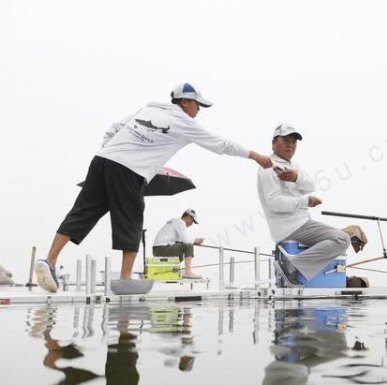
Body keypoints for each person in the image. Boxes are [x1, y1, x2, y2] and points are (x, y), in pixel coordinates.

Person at [34, 82, 272, 293]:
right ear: (185, 102)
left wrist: (112, 153)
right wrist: (255, 156)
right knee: (132, 218)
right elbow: (222, 144)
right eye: (198, 105)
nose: (199, 110)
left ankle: (50, 261)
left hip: (102, 160)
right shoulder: (185, 122)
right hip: (129, 169)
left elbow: (114, 128)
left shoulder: (150, 108)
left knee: (83, 211)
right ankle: (125, 279)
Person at [256, 123, 350, 284]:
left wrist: (296, 177)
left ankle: (293, 266)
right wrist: (305, 200)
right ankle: (291, 265)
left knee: (340, 237)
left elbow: (311, 185)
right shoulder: (268, 167)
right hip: (291, 227)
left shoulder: (294, 166)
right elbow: (274, 203)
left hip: (302, 223)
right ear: (274, 143)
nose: (291, 145)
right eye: (286, 140)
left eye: (294, 141)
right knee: (343, 239)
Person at [152, 209, 205, 279]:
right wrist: (196, 240)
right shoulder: (180, 222)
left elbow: (181, 241)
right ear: (188, 217)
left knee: (180, 254)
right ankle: (188, 272)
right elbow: (186, 241)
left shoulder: (175, 222)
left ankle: (175, 270)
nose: (192, 224)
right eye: (192, 221)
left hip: (157, 249)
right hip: (161, 248)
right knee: (189, 246)